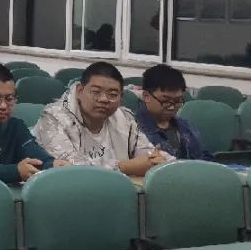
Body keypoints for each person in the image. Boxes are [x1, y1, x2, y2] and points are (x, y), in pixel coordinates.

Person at [34, 62, 168, 176]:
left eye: (112, 94)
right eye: (96, 92)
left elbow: (147, 152)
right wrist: (125, 167)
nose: (104, 99)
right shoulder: (53, 119)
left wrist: (158, 160)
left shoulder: (124, 118)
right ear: (80, 91)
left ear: (121, 97)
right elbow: (72, 170)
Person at [136, 64, 211, 160]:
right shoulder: (134, 130)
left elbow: (205, 158)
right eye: (165, 101)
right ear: (146, 96)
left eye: (177, 101)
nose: (172, 107)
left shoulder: (186, 126)